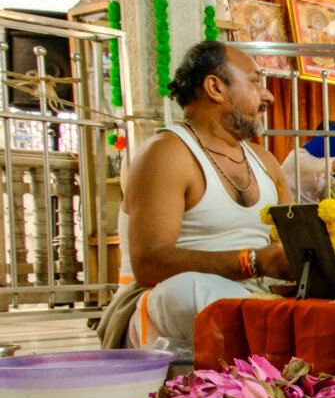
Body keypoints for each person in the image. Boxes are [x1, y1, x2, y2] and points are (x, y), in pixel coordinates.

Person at [96, 40, 295, 353]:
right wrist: (252, 261)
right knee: (193, 292)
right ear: (215, 88)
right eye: (256, 82)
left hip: (258, 296)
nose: (268, 95)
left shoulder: (264, 161)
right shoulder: (167, 153)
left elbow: (288, 242)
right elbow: (148, 263)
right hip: (166, 302)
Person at [281, 116, 335, 202]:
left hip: (311, 211)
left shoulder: (326, 174)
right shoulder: (299, 157)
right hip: (289, 208)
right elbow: (331, 165)